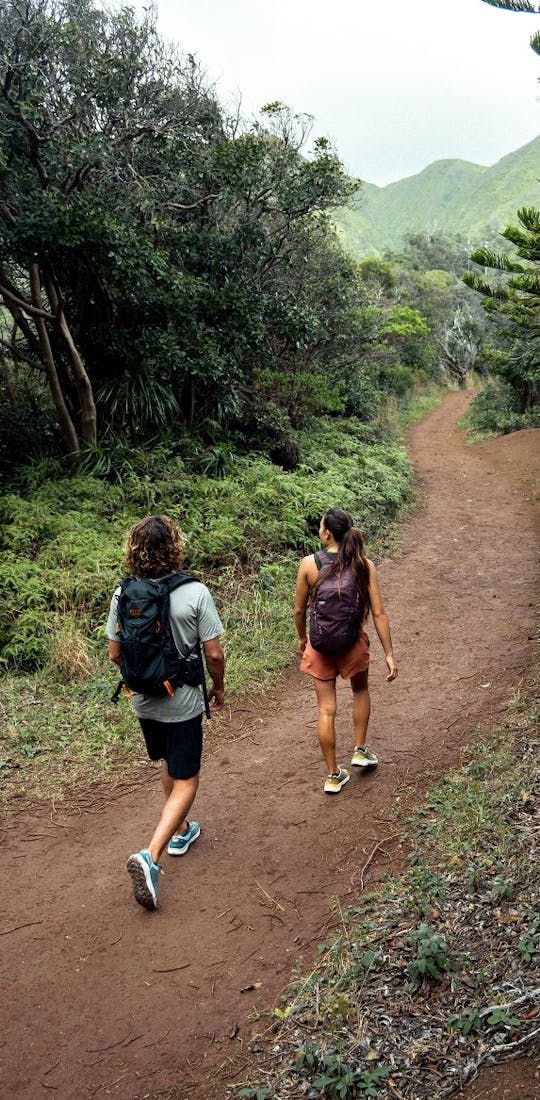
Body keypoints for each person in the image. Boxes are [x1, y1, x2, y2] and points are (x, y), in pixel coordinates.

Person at [106, 514, 225, 910]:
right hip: (183, 698)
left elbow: (114, 652)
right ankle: (150, 856)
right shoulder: (195, 593)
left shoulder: (123, 594)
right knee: (187, 777)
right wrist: (219, 686)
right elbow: (214, 653)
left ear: (134, 550)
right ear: (175, 546)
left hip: (142, 699)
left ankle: (182, 829)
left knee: (167, 762)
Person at [294, 508, 397, 794]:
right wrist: (389, 653)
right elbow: (378, 613)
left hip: (320, 646)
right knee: (360, 691)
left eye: (320, 526)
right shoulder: (363, 565)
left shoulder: (308, 564)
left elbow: (300, 609)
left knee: (326, 709)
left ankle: (332, 775)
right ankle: (360, 750)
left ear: (327, 533)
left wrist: (304, 639)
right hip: (352, 643)